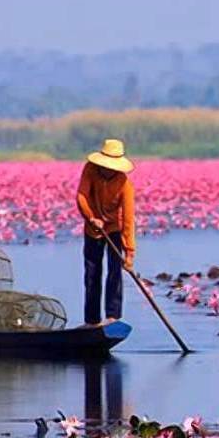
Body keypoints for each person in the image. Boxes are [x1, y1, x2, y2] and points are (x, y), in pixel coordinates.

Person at [76, 138, 136, 326]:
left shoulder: (124, 183)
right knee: (92, 273)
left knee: (115, 272)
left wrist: (130, 252)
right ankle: (91, 321)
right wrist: (91, 217)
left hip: (114, 229)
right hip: (92, 227)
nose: (109, 169)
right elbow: (81, 196)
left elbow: (128, 218)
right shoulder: (90, 170)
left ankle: (112, 317)